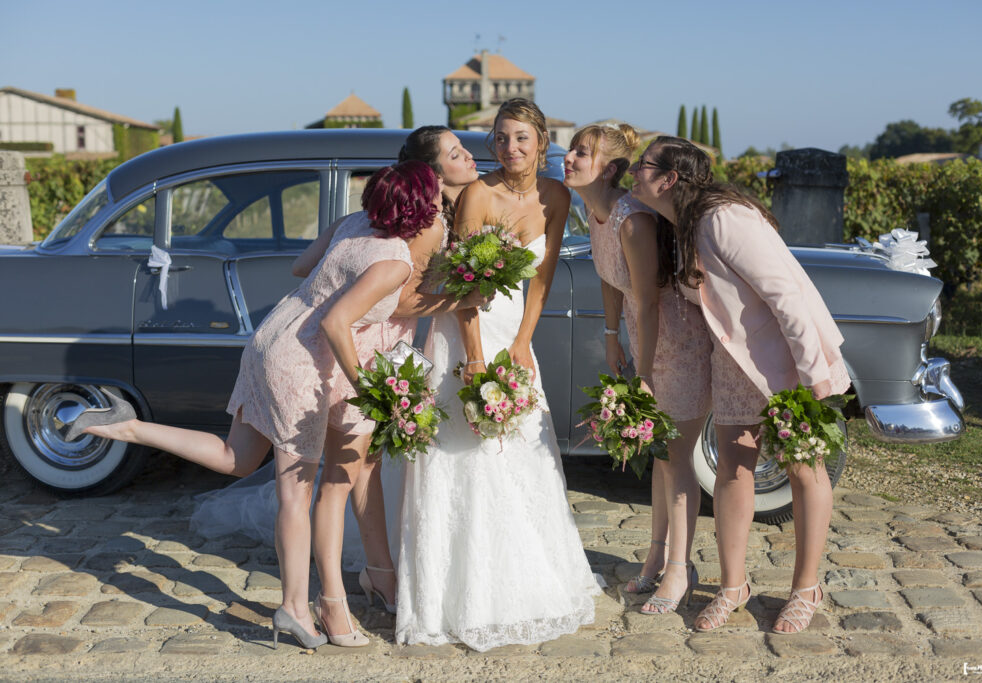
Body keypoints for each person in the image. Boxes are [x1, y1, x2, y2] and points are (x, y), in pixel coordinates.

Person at [71, 126, 483, 607]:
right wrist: (447, 302)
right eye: (456, 153)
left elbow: (302, 268)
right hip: (333, 353)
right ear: (427, 181)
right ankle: (315, 604)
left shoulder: (354, 221)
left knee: (241, 459)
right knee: (323, 481)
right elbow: (391, 301)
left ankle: (131, 428)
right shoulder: (416, 234)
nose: (468, 158)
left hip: (280, 335)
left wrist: (341, 277)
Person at [395, 99, 601, 651]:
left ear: (541, 143)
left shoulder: (556, 197)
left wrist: (522, 343)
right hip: (469, 333)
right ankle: (455, 592)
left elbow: (543, 277)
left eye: (522, 139)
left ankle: (526, 575)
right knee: (464, 454)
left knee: (518, 457)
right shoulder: (476, 196)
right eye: (502, 139)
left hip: (513, 335)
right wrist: (477, 359)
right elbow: (462, 286)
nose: (511, 149)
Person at [628, 136, 850, 633]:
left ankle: (805, 588)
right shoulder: (679, 225)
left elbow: (786, 296)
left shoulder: (723, 218)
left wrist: (813, 377)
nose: (634, 172)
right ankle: (733, 586)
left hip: (786, 362)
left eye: (642, 166)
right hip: (734, 363)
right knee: (732, 470)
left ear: (670, 179)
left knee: (803, 470)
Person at [563, 123, 711, 614]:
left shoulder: (634, 221)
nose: (568, 157)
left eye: (580, 152)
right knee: (661, 457)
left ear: (608, 169)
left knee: (677, 458)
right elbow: (608, 278)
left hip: (677, 343)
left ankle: (679, 569)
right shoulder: (595, 211)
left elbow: (649, 302)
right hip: (642, 337)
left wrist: (643, 374)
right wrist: (610, 338)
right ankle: (655, 557)